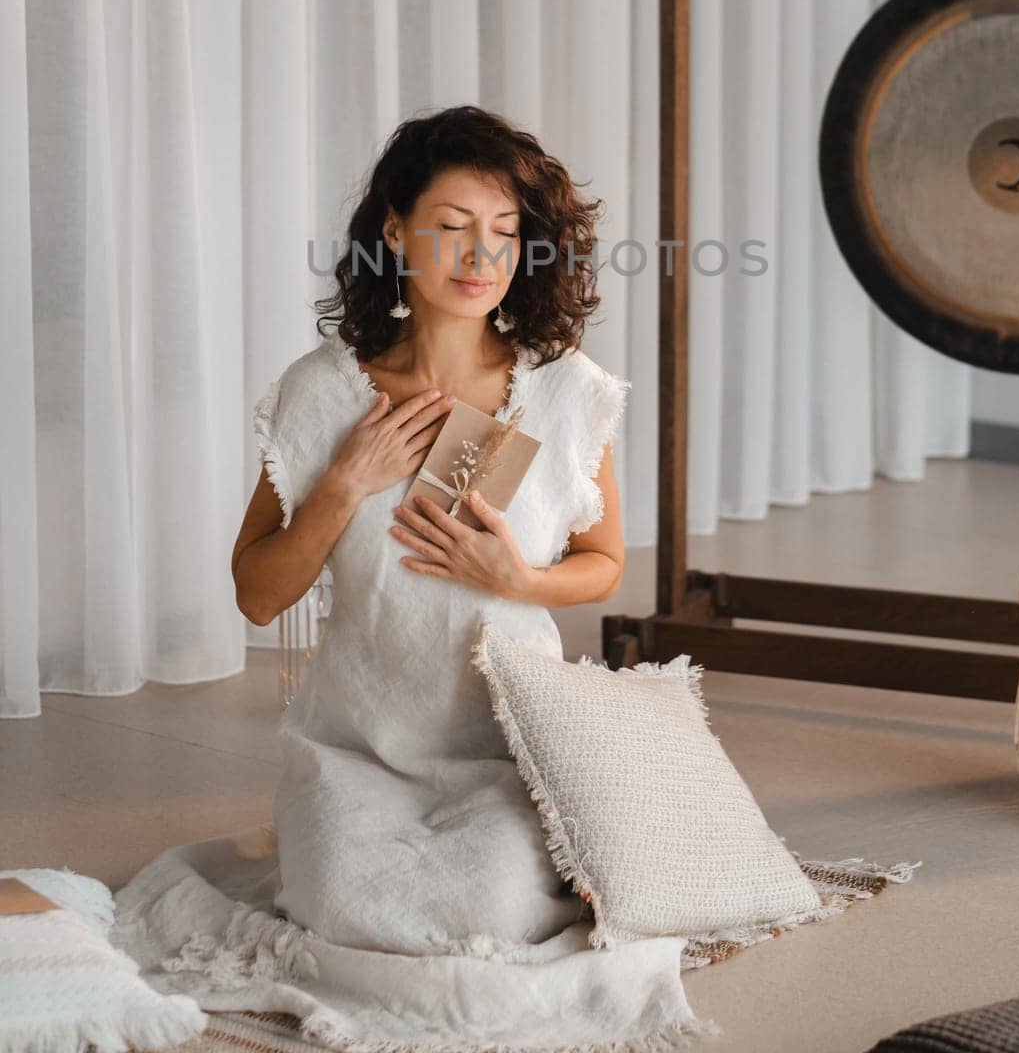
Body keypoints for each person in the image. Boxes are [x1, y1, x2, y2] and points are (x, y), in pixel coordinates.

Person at [110, 104, 719, 1052]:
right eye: (452, 226)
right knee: (351, 909)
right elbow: (257, 593)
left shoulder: (563, 391)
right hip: (356, 749)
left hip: (509, 748)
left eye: (506, 233)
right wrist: (343, 484)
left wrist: (515, 578)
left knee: (495, 911)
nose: (482, 256)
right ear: (395, 231)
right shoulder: (324, 392)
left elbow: (602, 566)